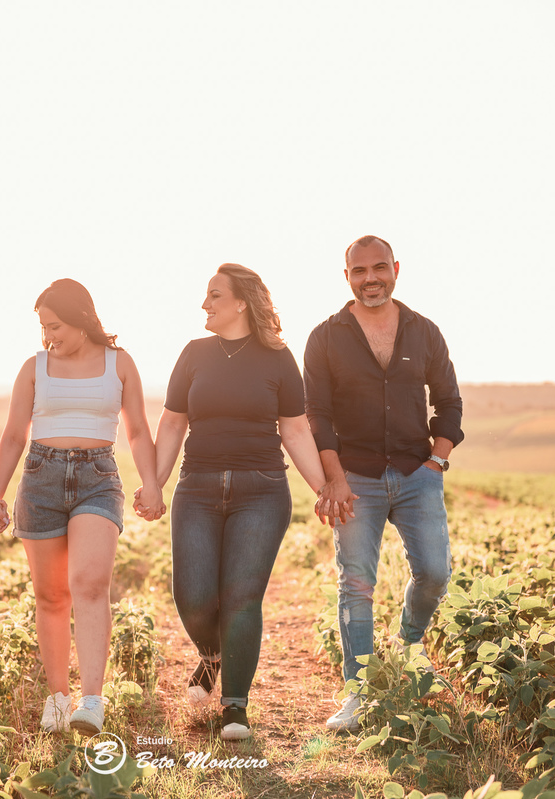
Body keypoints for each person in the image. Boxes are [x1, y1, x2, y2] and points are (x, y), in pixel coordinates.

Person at [153, 263, 329, 741]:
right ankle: (212, 656)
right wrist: (154, 482)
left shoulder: (278, 358)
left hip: (262, 491)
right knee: (192, 596)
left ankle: (235, 707)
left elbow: (295, 429)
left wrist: (323, 489)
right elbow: (172, 422)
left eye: (214, 295)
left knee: (241, 599)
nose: (205, 304)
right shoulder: (194, 354)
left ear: (241, 302)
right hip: (197, 487)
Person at [0, 278, 163, 736]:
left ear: (81, 320)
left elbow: (138, 430)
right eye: (43, 328)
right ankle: (59, 699)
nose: (49, 336)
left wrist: (152, 484)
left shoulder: (120, 363)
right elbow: (13, 436)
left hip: (97, 479)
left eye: (56, 326)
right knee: (50, 596)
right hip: (40, 479)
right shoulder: (34, 367)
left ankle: (92, 701)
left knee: (89, 583)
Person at [304, 235, 464, 732]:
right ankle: (358, 693)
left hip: (418, 474)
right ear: (346, 276)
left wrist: (437, 462)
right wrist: (334, 479)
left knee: (435, 573)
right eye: (360, 271)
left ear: (395, 268)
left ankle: (410, 643)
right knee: (356, 583)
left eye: (379, 268)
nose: (370, 278)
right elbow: (317, 415)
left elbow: (449, 401)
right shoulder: (325, 338)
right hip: (355, 478)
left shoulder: (424, 331)